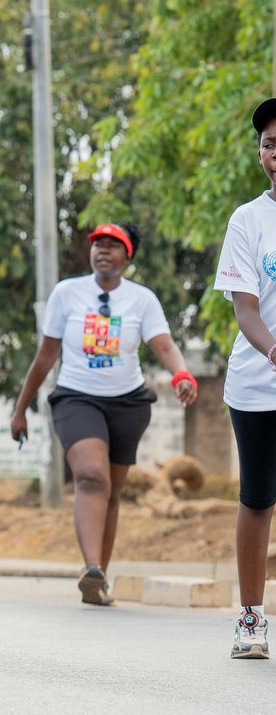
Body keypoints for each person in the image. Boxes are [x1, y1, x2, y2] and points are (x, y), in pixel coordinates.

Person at [11, 222, 197, 606]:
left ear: (127, 256)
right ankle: (91, 566)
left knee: (111, 492)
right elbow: (45, 356)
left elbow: (163, 345)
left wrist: (180, 374)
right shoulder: (67, 293)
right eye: (98, 244)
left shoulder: (142, 299)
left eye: (113, 245)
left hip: (128, 403)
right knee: (92, 478)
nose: (103, 251)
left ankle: (100, 579)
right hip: (77, 398)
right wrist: (20, 409)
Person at [213, 97, 276, 659]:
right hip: (258, 385)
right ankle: (252, 618)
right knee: (258, 497)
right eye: (270, 144)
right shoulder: (248, 219)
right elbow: (246, 309)